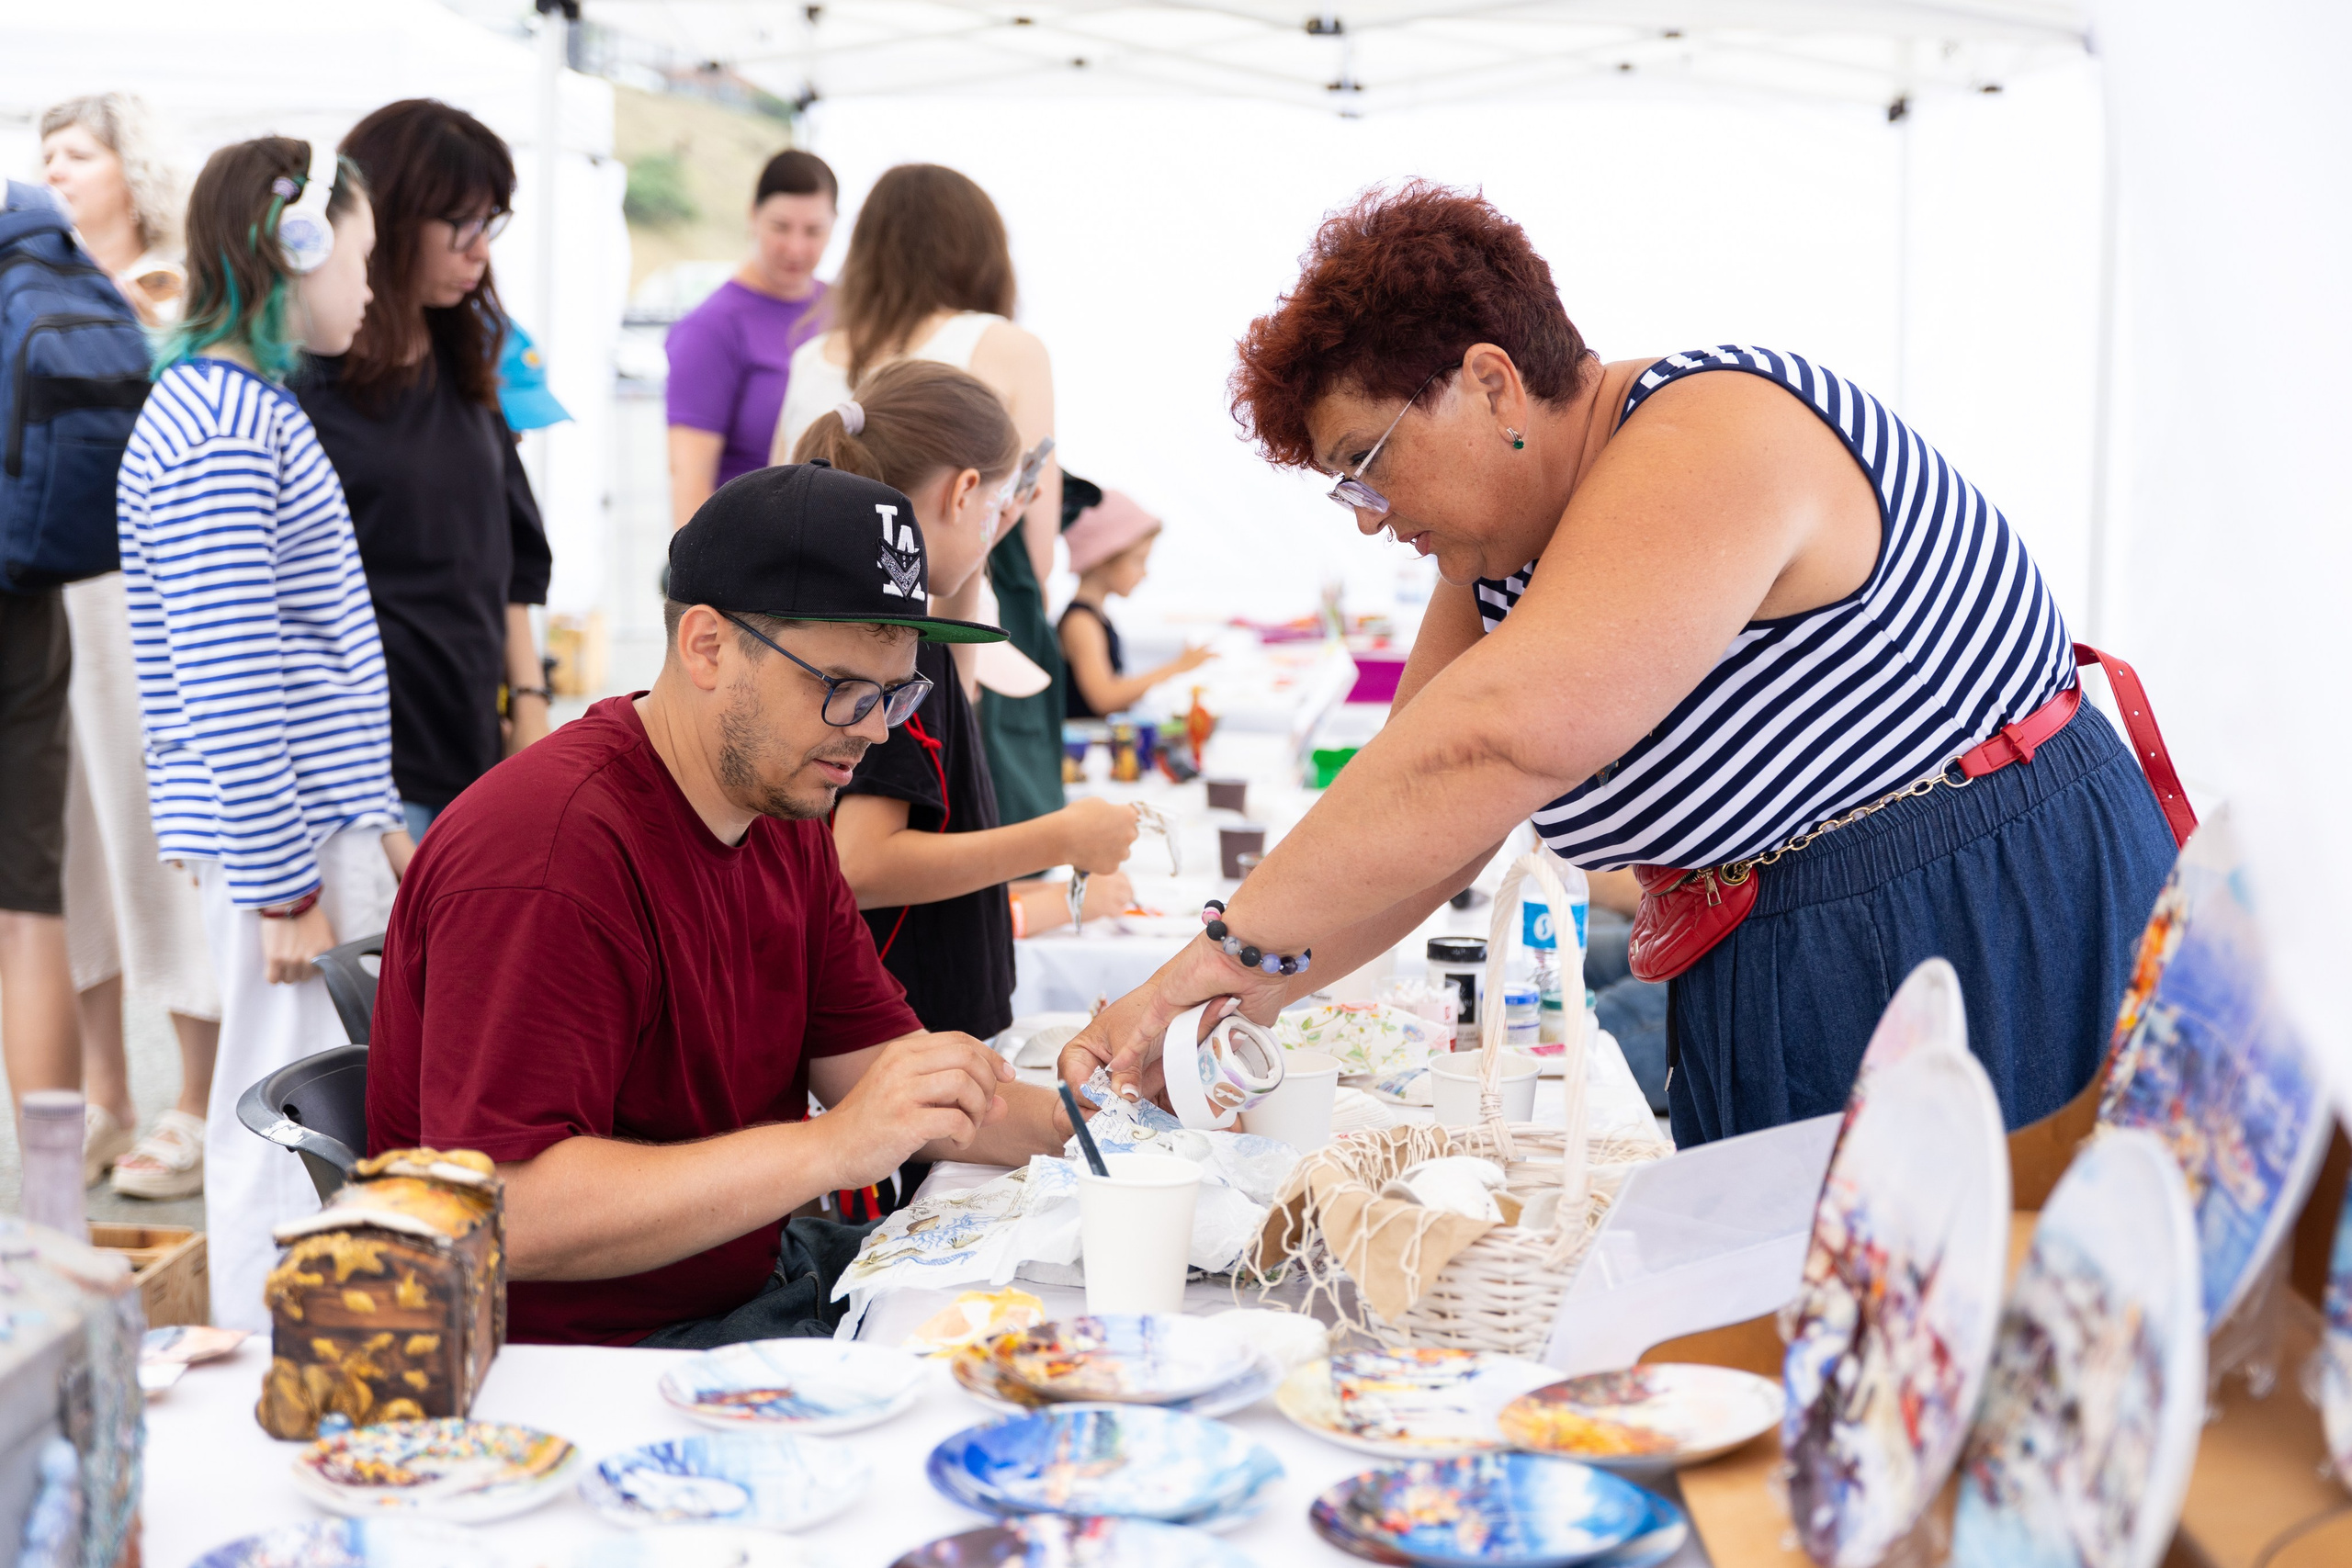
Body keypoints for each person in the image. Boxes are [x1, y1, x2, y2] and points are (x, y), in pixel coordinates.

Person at [1063, 183, 2179, 1148]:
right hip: (1782, 950)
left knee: (1971, 1331)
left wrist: (1208, 959)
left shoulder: (1714, 432)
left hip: (1973, 905)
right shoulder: (1501, 555)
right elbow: (1425, 824)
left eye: (1367, 465)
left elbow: (1490, 743)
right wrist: (1228, 1004)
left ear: (1491, 381)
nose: (1367, 519)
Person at [366, 463, 1072, 1347]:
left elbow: (879, 1073)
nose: (876, 730)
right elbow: (510, 1209)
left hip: (745, 1284)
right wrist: (833, 1147)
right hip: (591, 1360)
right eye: (846, 689)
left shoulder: (780, 804)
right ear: (707, 646)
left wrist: (1091, 1118)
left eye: (898, 692)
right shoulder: (547, 855)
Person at [117, 137, 411, 1327]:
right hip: (279, 843)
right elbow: (232, 670)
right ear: (293, 249)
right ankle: (262, 1349)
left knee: (310, 1107)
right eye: (360, 258)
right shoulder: (222, 426)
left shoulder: (234, 411)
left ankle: (303, 1340)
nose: (369, 288)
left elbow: (291, 657)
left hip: (307, 828)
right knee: (277, 1116)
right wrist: (289, 882)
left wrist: (376, 817)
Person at [798, 363, 1142, 1051]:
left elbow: (955, 679)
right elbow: (860, 865)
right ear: (960, 491)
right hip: (905, 1023)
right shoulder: (890, 648)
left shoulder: (890, 627)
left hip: (913, 1019)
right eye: (990, 509)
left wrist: (981, 534)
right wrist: (1062, 838)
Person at [38, 94, 224, 1196]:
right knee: (64, 848)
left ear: (130, 166)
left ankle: (194, 1100)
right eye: (45, 154)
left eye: (77, 151)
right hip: (44, 599)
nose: (54, 170)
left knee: (161, 835)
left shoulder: (172, 292)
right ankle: (105, 1091)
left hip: (136, 602)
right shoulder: (35, 290)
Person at [771, 164, 1068, 826]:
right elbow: (1036, 557)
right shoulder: (1007, 347)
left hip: (808, 673)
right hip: (958, 657)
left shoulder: (811, 359)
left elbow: (773, 511)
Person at [293, 99, 552, 843]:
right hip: (363, 776)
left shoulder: (462, 355)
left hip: (473, 746)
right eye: (462, 226)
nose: (480, 251)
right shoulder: (305, 386)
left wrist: (529, 702)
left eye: (491, 224)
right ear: (394, 222)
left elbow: (509, 555)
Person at [664, 150, 837, 528]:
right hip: (752, 557)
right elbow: (690, 481)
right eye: (780, 226)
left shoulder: (843, 310)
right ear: (752, 216)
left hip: (834, 549)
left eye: (813, 231)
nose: (795, 248)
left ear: (834, 226)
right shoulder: (711, 328)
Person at [1057, 490, 1214, 720]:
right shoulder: (1081, 622)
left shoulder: (1096, 615)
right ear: (1103, 558)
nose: (1145, 573)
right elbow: (1104, 698)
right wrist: (1178, 666)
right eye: (1138, 560)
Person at [37, 94, 184, 325]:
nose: (53, 172)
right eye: (47, 159)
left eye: (78, 157)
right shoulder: (29, 280)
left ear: (136, 173)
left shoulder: (185, 292)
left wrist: (157, 337)